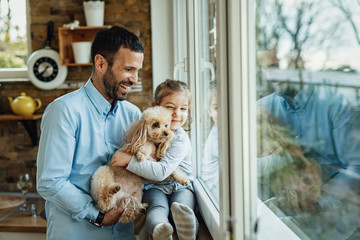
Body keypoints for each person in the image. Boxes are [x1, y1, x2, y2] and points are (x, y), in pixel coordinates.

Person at [36, 26, 144, 240]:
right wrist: (98, 215)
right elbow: (51, 181)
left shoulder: (133, 115)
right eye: (129, 69)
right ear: (101, 63)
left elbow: (141, 171)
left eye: (137, 71)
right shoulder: (63, 111)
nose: (135, 79)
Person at [257, 79, 360, 239]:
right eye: (267, 68)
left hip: (335, 213)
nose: (272, 75)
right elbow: (243, 165)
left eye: (276, 65)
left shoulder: (336, 103)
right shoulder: (261, 110)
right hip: (282, 209)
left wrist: (320, 201)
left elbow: (356, 166)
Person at [111, 79, 198, 240]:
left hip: (181, 186)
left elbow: (162, 171)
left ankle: (187, 232)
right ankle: (161, 230)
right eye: (170, 107)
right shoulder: (147, 133)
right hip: (155, 188)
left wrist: (128, 161)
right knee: (156, 208)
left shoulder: (180, 139)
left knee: (183, 207)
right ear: (155, 106)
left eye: (183, 109)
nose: (177, 114)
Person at [201, 81, 220, 202]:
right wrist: (284, 158)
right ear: (210, 112)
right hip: (213, 190)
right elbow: (243, 165)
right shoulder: (217, 138)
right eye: (217, 107)